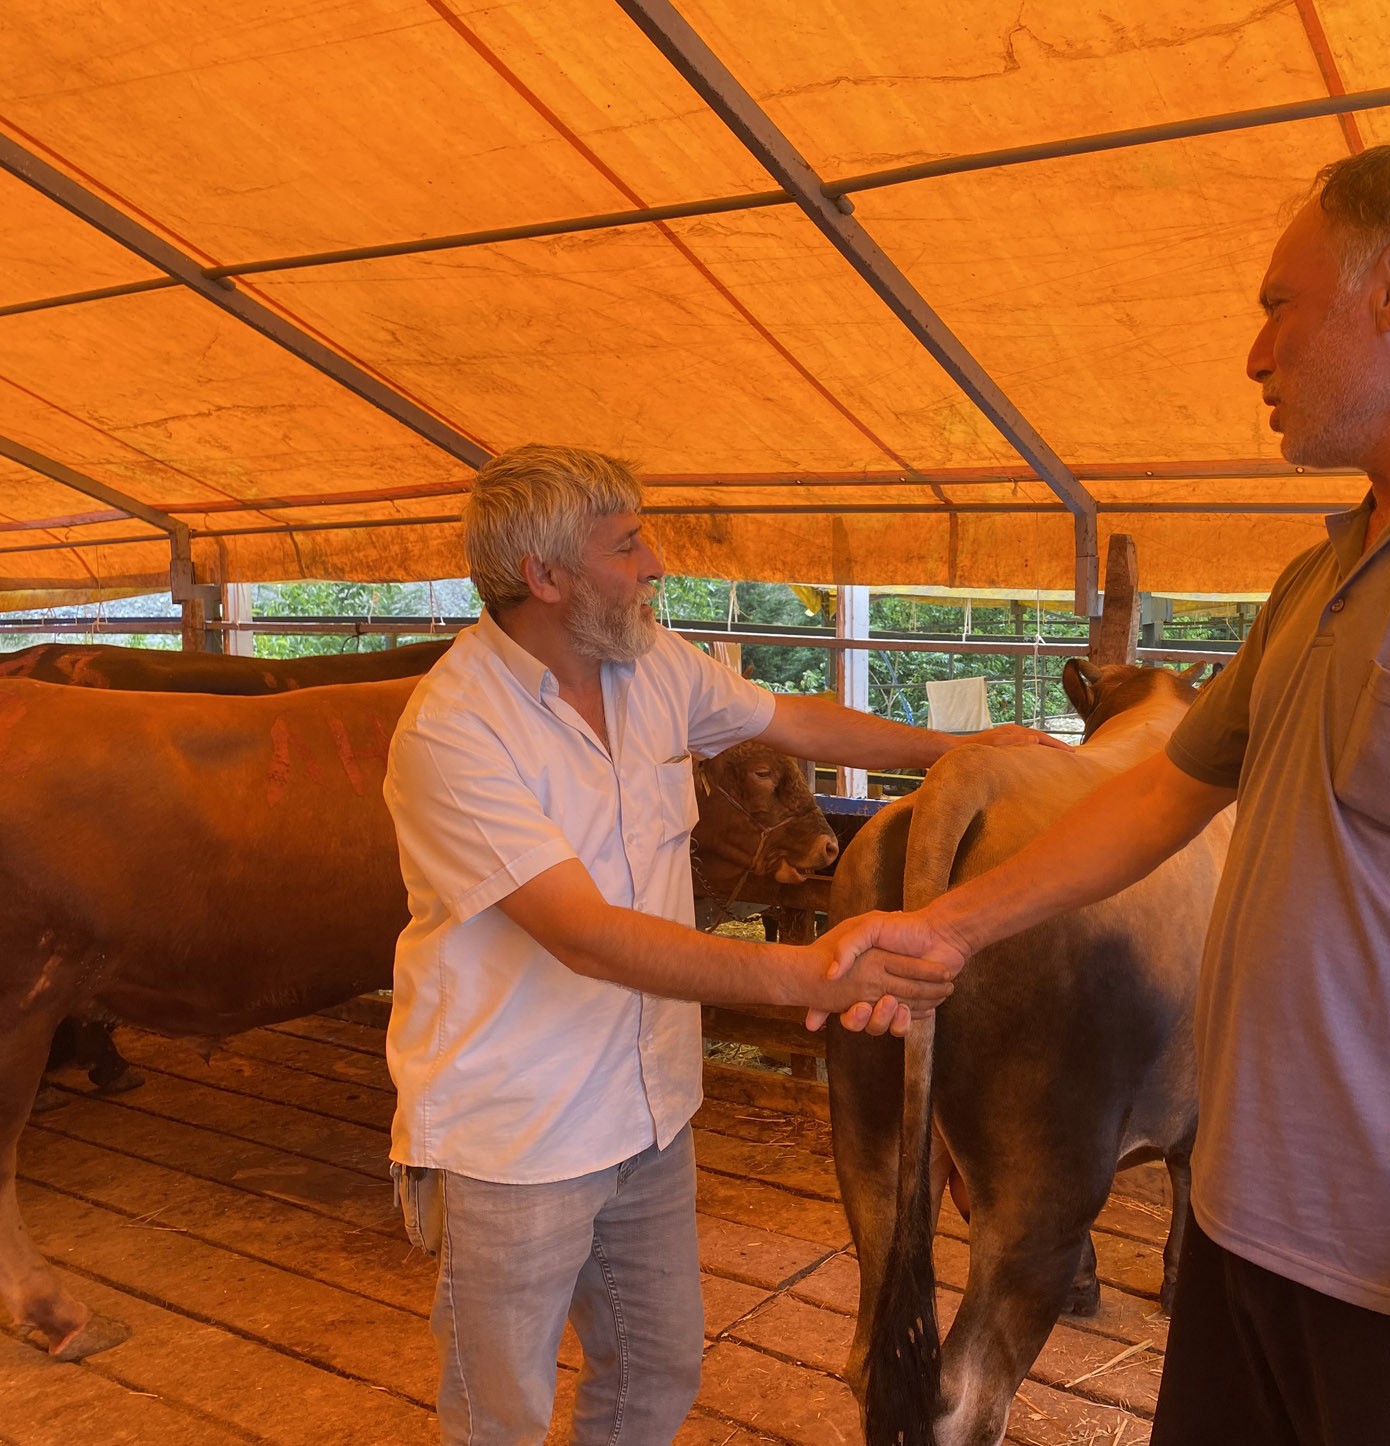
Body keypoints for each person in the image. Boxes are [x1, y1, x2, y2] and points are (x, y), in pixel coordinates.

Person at [830, 143, 1390, 1446]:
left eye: (1277, 304)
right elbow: (1164, 786)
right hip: (1251, 1228)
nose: (1255, 356)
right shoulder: (1318, 579)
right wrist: (957, 926)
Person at [382, 444, 1062, 1445]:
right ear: (546, 576)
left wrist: (955, 749)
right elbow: (585, 937)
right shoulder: (455, 731)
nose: (654, 562)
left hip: (647, 1109)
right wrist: (817, 971)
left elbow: (792, 720)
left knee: (657, 1366)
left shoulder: (649, 666)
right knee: (500, 1413)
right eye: (628, 544)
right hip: (515, 1133)